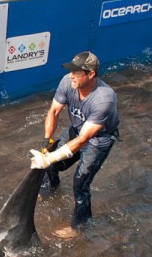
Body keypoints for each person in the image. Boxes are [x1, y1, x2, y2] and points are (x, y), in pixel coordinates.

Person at [29, 51, 120, 238]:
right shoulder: (67, 82)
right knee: (52, 163)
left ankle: (80, 226)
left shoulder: (104, 99)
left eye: (77, 72)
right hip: (77, 129)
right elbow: (54, 111)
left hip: (98, 139)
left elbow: (84, 140)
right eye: (71, 71)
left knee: (80, 185)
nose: (71, 76)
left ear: (91, 74)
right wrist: (47, 144)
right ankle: (49, 188)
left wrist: (51, 157)